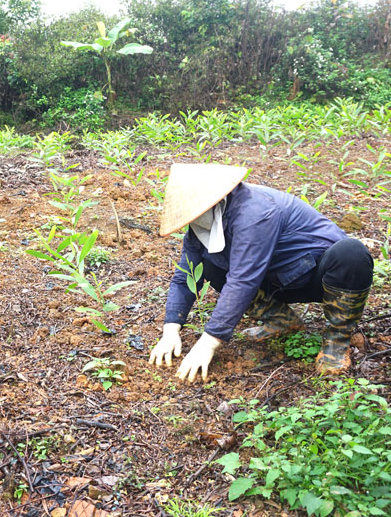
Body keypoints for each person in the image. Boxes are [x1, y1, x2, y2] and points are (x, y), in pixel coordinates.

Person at [148, 163, 373, 380]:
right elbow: (185, 275)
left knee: (351, 253)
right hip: (274, 280)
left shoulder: (254, 212)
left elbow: (243, 279)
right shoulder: (203, 226)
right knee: (207, 265)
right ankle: (281, 321)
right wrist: (170, 331)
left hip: (316, 276)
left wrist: (207, 343)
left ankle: (338, 338)